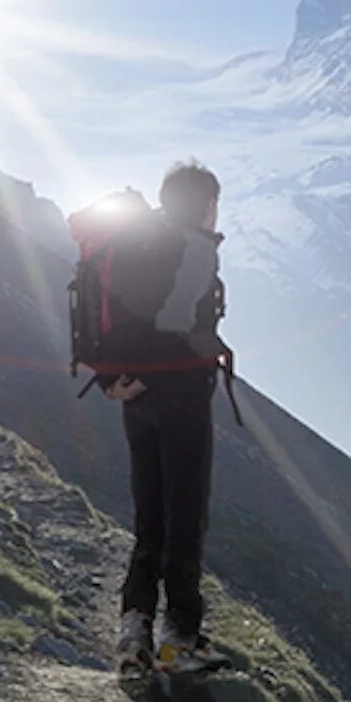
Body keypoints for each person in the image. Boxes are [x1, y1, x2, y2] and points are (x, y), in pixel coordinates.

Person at [105, 160, 229, 675]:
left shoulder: (135, 245)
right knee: (185, 513)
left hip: (135, 399)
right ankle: (180, 636)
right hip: (177, 395)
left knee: (149, 514)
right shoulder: (194, 250)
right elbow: (174, 323)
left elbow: (120, 317)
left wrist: (120, 377)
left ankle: (134, 629)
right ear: (204, 204)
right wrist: (157, 370)